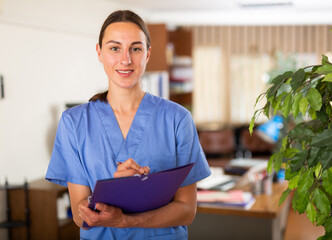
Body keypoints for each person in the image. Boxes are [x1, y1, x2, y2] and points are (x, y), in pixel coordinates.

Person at [45, 9, 211, 240]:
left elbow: (187, 211)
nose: (126, 59)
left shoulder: (177, 119)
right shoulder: (73, 123)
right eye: (114, 48)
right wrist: (113, 191)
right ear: (99, 52)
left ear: (148, 54)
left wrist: (126, 220)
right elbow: (79, 216)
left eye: (135, 48)